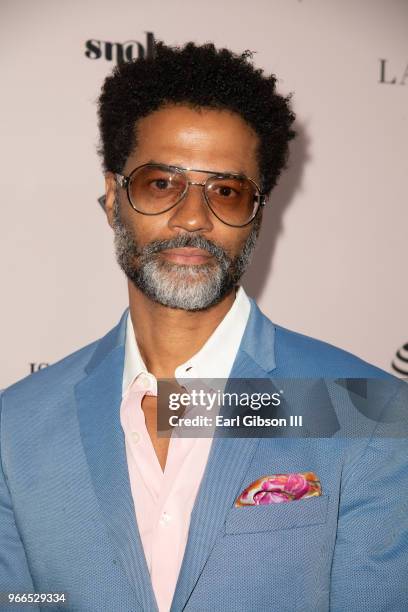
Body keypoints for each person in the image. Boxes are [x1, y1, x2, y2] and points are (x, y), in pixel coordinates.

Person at [0, 42, 406, 612]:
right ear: (114, 198)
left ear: (256, 215)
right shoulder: (17, 426)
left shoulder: (366, 411)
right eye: (161, 184)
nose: (194, 218)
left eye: (226, 191)